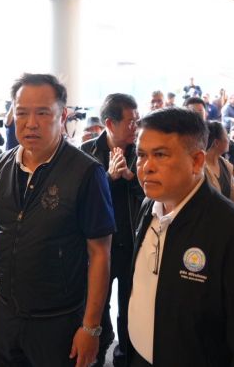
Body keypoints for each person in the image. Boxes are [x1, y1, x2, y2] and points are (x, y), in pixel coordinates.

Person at [0, 73, 116, 367]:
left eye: (43, 113)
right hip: (5, 314)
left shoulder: (86, 173)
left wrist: (91, 327)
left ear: (63, 116)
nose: (31, 123)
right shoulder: (1, 164)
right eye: (22, 113)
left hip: (58, 321)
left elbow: (100, 253)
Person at [127, 107, 234, 367]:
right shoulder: (149, 205)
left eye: (160, 155)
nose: (146, 167)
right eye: (141, 155)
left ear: (197, 161)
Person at [80, 93, 144, 367]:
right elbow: (79, 201)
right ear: (110, 123)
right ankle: (96, 355)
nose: (135, 127)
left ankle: (124, 358)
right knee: (97, 307)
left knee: (131, 311)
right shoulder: (85, 153)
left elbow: (154, 199)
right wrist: (106, 178)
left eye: (137, 120)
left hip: (133, 246)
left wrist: (131, 179)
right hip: (97, 250)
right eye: (130, 122)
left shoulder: (142, 153)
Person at [204, 121, 234, 212]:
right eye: (226, 136)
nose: (229, 140)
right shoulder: (200, 168)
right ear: (216, 143)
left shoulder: (224, 164)